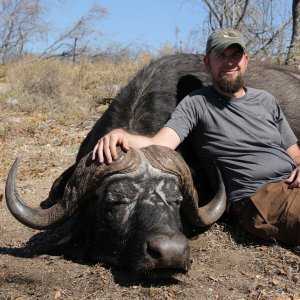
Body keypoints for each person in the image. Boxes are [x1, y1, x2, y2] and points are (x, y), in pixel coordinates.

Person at [92, 28, 300, 246]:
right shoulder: (196, 104)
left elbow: (294, 153)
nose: (230, 62)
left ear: (246, 60)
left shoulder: (266, 100)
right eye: (221, 56)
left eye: (235, 56)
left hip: (292, 185)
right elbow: (159, 143)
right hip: (263, 197)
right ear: (207, 62)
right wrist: (120, 134)